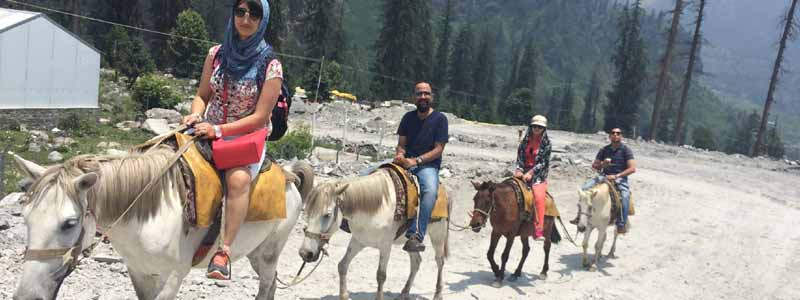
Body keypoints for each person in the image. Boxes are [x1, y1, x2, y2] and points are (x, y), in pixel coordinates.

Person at [181, 0, 283, 280]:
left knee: (237, 181)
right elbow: (203, 95)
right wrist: (195, 114)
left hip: (244, 135)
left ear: (263, 19)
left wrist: (220, 131)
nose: (246, 18)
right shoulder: (216, 54)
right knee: (169, 154)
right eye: (240, 11)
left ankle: (224, 252)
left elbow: (261, 117)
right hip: (206, 127)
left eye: (254, 13)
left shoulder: (271, 65)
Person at [394, 82, 449, 252]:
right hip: (406, 162)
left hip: (427, 166)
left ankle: (416, 235)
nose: (423, 97)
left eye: (426, 93)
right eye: (419, 94)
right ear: (414, 97)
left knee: (430, 191)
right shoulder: (408, 118)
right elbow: (401, 144)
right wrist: (400, 155)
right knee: (369, 172)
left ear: (431, 97)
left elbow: (439, 149)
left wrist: (416, 161)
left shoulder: (440, 119)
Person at [580, 127, 637, 234]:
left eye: (618, 133)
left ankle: (621, 223)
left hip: (620, 178)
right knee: (584, 189)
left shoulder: (626, 150)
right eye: (613, 133)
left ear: (621, 136)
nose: (615, 135)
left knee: (625, 196)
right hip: (604, 176)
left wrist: (617, 176)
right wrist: (602, 164)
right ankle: (581, 217)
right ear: (610, 136)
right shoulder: (604, 150)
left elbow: (632, 168)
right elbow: (595, 165)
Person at [513, 115, 552, 241]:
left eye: (540, 127)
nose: (537, 129)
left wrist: (530, 173)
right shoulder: (525, 141)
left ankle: (538, 229)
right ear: (531, 127)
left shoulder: (547, 144)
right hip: (522, 172)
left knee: (539, 197)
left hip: (538, 176)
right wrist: (519, 169)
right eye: (535, 126)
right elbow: (520, 157)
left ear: (543, 129)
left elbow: (543, 163)